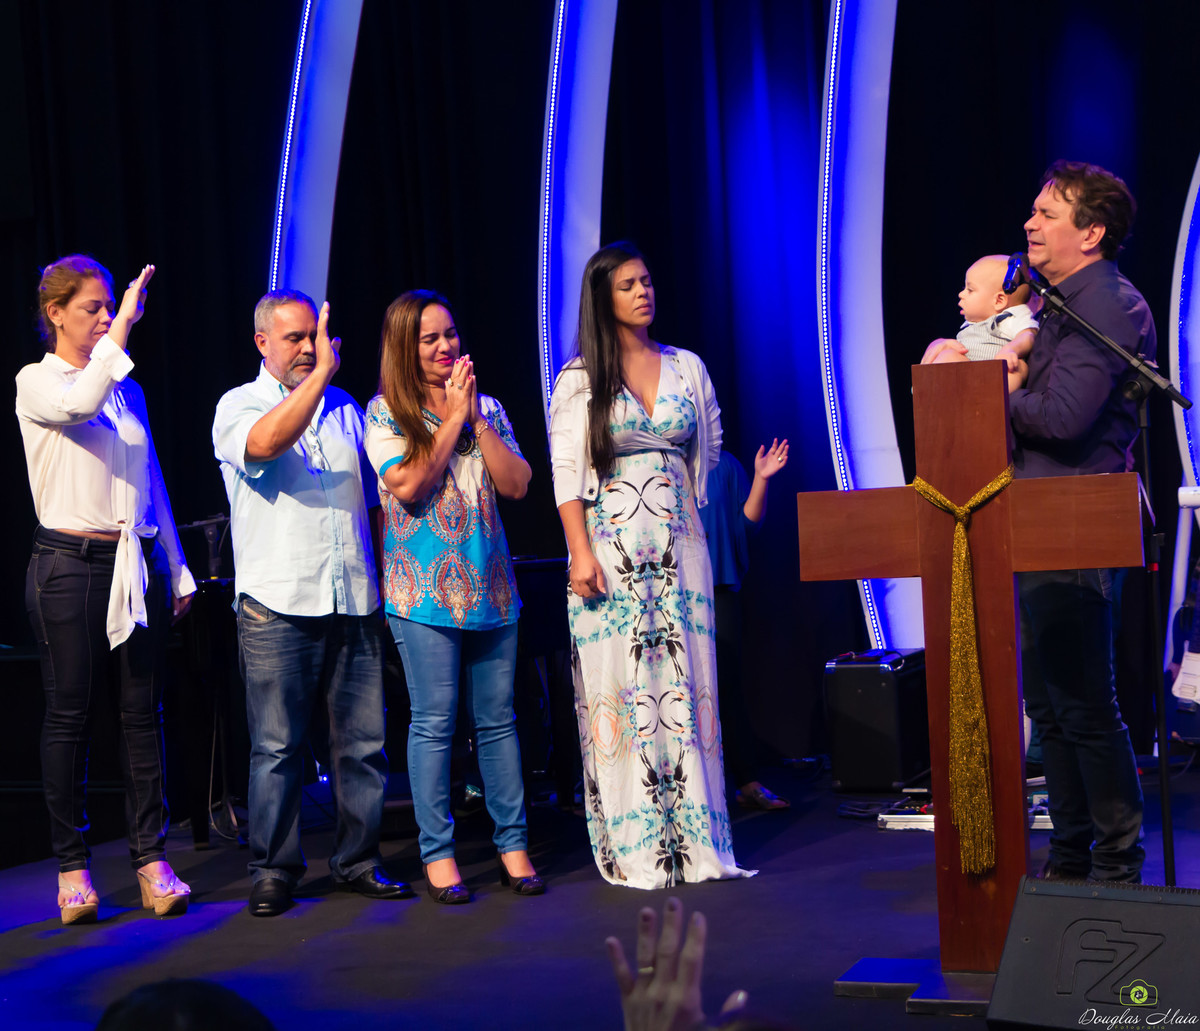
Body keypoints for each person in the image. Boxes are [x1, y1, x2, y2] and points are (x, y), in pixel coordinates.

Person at [549, 241, 752, 889]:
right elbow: (565, 471)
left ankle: (695, 843)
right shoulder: (580, 378)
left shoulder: (686, 366)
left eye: (646, 281)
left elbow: (709, 449)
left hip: (679, 546)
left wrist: (681, 504)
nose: (644, 292)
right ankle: (642, 845)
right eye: (628, 285)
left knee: (686, 684)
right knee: (625, 686)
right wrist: (580, 551)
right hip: (610, 547)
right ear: (602, 297)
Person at [212, 290, 411, 917]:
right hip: (278, 601)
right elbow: (266, 444)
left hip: (352, 595)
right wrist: (321, 375)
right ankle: (274, 868)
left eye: (312, 337)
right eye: (294, 338)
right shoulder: (238, 404)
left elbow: (374, 504)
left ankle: (359, 859)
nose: (306, 348)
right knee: (277, 748)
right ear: (262, 343)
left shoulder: (347, 408)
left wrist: (384, 579)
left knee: (363, 744)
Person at [17, 256, 196, 924]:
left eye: (107, 307)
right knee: (70, 716)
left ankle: (152, 859)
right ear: (56, 313)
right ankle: (72, 866)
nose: (103, 317)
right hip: (68, 567)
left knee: (140, 714)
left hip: (132, 560)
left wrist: (175, 564)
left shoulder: (128, 390)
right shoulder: (37, 380)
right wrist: (122, 324)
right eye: (91, 307)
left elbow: (151, 477)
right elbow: (80, 402)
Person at [364, 289, 542, 903]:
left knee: (497, 722)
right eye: (430, 338)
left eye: (450, 334)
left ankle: (513, 848)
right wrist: (450, 421)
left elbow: (518, 484)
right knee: (435, 723)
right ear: (404, 347)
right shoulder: (385, 413)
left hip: (490, 586)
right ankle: (438, 856)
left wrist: (477, 421)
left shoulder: (485, 407)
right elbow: (411, 485)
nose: (446, 347)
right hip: (422, 593)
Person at [1008, 160, 1152, 883]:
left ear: (1090, 233)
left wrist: (986, 395)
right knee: (1050, 705)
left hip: (1076, 523)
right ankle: (1068, 857)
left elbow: (1064, 418)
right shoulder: (1056, 305)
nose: (1030, 224)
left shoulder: (1108, 305)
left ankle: (1117, 863)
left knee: (1085, 703)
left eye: (1047, 213)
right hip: (1031, 523)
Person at [697, 445, 791, 811]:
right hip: (669, 590)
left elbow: (747, 525)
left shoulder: (723, 464)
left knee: (727, 685)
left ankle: (747, 782)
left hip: (717, 586)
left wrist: (761, 479)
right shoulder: (660, 459)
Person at [920, 254, 1039, 366]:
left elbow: (1028, 335)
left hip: (993, 372)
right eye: (964, 288)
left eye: (970, 290)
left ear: (999, 301)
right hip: (968, 373)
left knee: (1019, 369)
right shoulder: (971, 326)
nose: (961, 294)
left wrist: (1011, 350)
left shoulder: (1009, 318)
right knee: (946, 355)